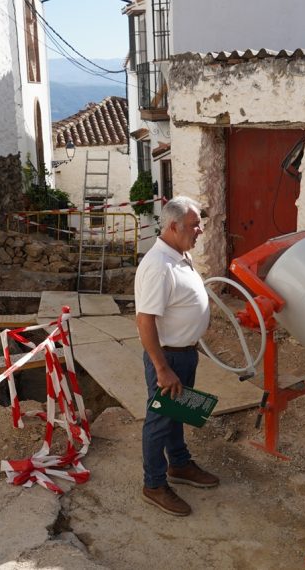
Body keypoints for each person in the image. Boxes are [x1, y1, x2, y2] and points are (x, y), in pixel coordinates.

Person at [134, 196, 220, 516]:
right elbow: (145, 320)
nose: (200, 230)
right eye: (194, 225)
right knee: (159, 421)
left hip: (183, 353)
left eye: (199, 224)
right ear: (173, 226)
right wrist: (161, 367)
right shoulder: (158, 266)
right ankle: (154, 483)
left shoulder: (179, 255)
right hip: (168, 358)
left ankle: (179, 464)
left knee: (175, 413)